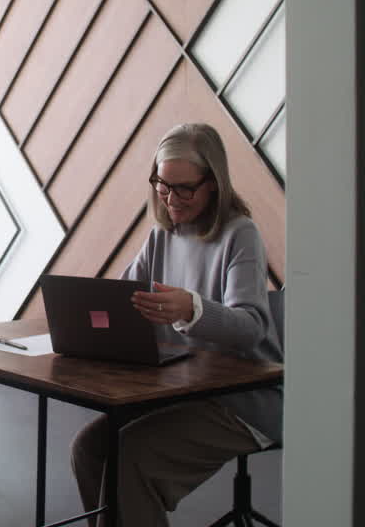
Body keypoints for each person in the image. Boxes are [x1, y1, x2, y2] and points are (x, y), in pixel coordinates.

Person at [69, 123, 283, 527]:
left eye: (184, 189)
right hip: (185, 388)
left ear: (213, 184)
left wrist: (192, 309)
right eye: (162, 186)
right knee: (90, 448)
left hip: (243, 401)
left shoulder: (241, 234)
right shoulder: (162, 235)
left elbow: (252, 326)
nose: (170, 199)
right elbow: (122, 299)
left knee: (131, 456)